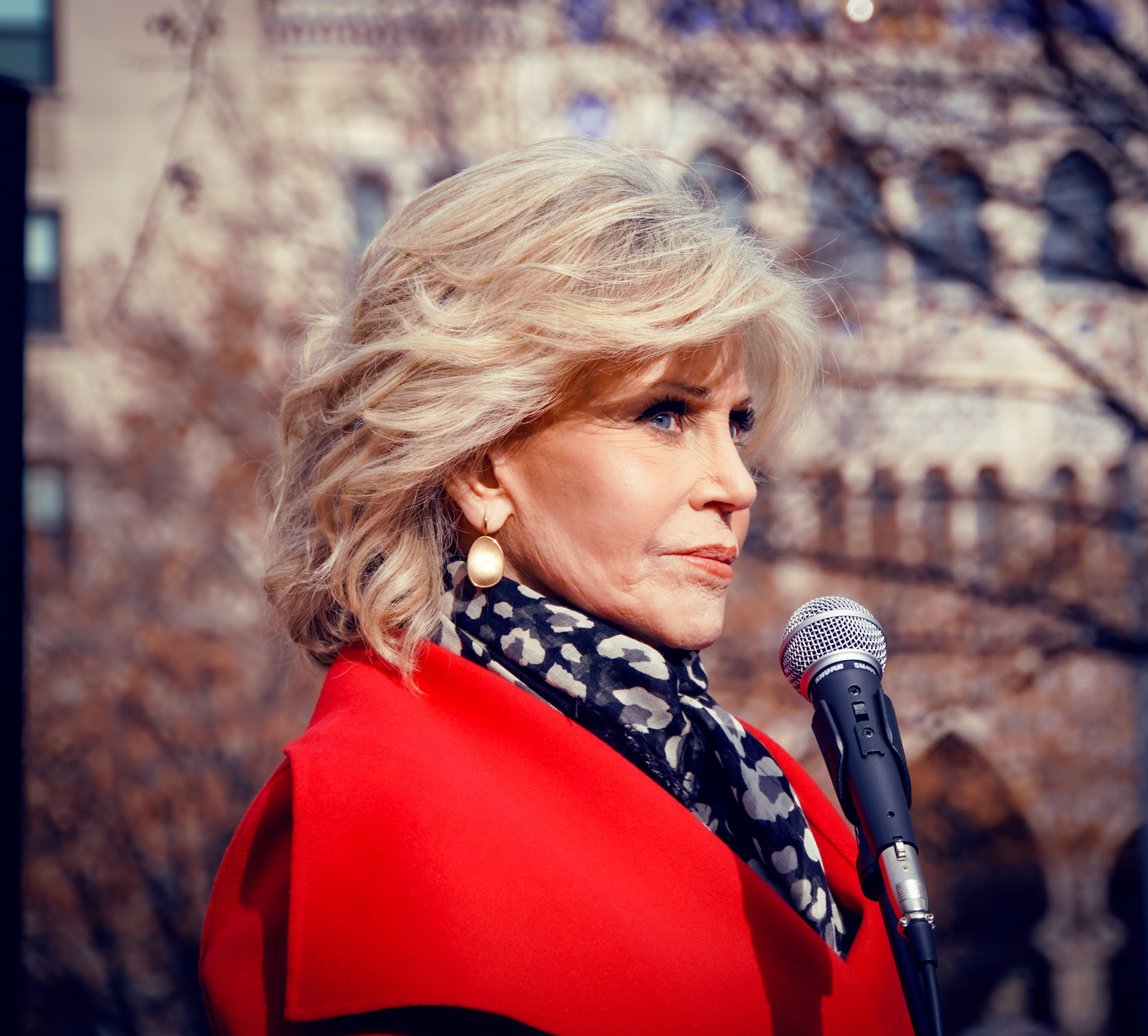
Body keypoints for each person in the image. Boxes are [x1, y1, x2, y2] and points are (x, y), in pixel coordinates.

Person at [199, 138, 913, 1035]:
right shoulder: (366, 817)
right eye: (665, 415)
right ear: (483, 465)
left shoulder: (770, 788)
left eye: (737, 424)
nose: (738, 483)